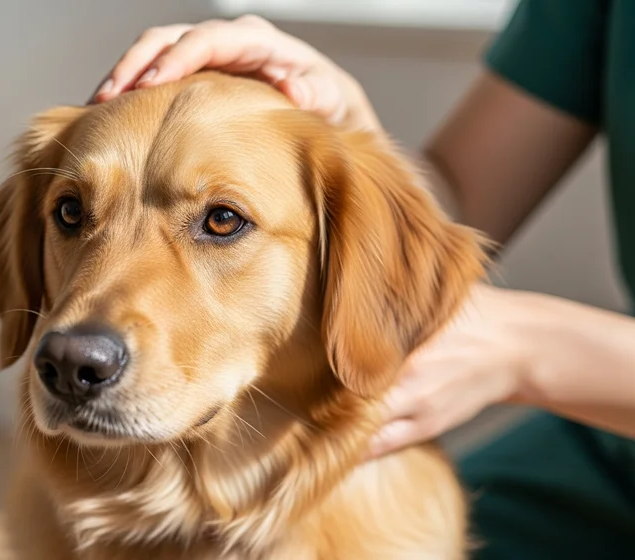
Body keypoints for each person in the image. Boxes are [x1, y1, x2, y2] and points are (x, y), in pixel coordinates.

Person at [88, 2, 635, 557]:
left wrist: (528, 348)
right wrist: (346, 129)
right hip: (606, 461)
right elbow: (460, 200)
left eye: (222, 220)